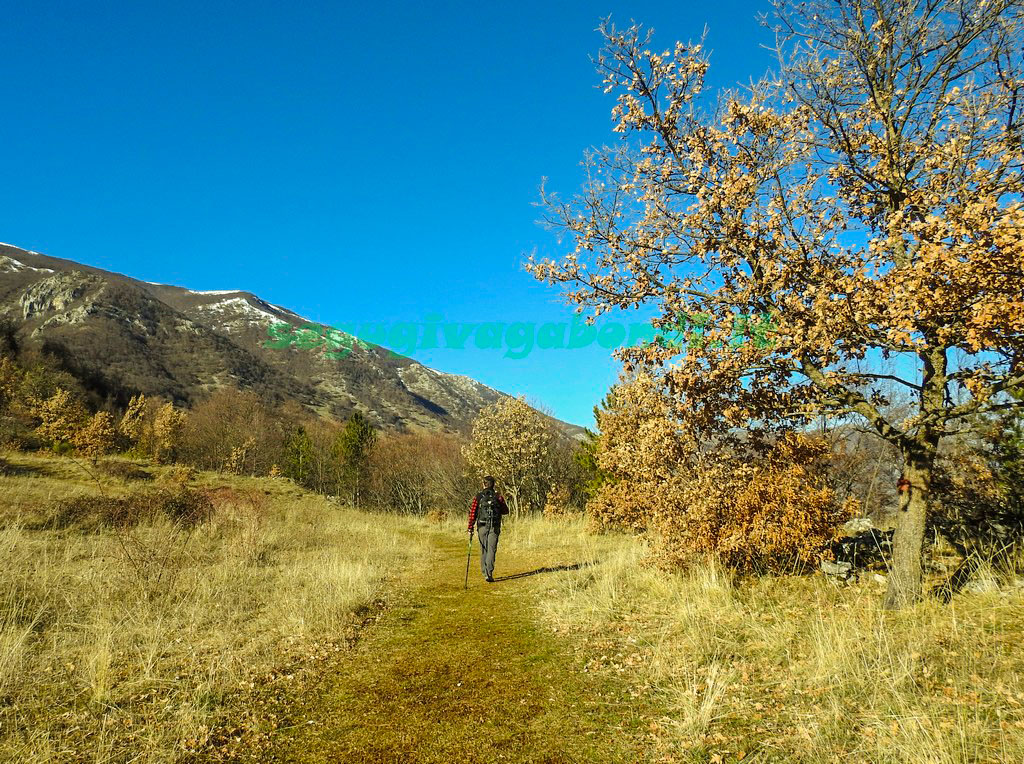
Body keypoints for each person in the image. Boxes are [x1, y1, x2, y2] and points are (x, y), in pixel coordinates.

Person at [467, 475, 509, 582]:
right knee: (492, 549)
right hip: (494, 527)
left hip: (482, 526)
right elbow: (505, 511)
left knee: (483, 549)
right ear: (493, 485)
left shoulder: (479, 496)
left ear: (484, 484)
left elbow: (473, 513)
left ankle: (484, 572)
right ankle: (489, 573)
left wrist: (470, 528)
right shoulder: (498, 496)